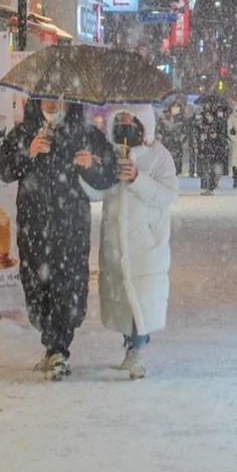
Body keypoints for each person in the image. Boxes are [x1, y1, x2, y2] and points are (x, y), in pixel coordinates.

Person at [0, 96, 117, 379]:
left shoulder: (84, 133)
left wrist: (91, 165)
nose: (50, 102)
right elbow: (0, 169)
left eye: (57, 95)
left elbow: (108, 176)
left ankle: (58, 348)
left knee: (68, 285)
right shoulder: (24, 133)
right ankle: (51, 342)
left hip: (70, 225)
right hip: (33, 226)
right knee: (36, 287)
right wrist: (29, 152)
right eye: (45, 96)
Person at [97, 106, 179, 380]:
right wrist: (88, 170)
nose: (124, 124)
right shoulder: (110, 153)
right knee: (123, 299)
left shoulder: (159, 156)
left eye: (130, 119)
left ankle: (137, 348)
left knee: (141, 300)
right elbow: (97, 191)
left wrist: (137, 179)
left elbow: (168, 195)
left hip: (145, 243)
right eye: (119, 119)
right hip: (114, 243)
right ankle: (129, 344)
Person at [194, 95, 229, 194]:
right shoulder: (202, 123)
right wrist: (198, 144)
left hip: (216, 149)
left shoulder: (219, 123)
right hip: (205, 148)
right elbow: (196, 134)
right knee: (206, 168)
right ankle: (207, 187)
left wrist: (216, 136)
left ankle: (211, 186)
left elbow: (224, 135)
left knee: (214, 169)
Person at [156, 100, 189, 176]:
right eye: (174, 107)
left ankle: (176, 172)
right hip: (166, 142)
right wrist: (160, 137)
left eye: (177, 107)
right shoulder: (164, 119)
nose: (175, 109)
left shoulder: (182, 119)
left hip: (177, 143)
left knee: (177, 159)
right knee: (167, 159)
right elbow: (159, 130)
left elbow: (186, 131)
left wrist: (183, 138)